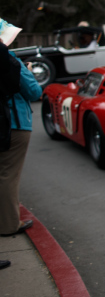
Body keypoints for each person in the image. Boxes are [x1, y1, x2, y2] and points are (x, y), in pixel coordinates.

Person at [0, 41, 41, 236]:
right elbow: (34, 91)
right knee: (8, 175)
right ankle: (8, 224)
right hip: (13, 123)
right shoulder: (9, 60)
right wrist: (27, 71)